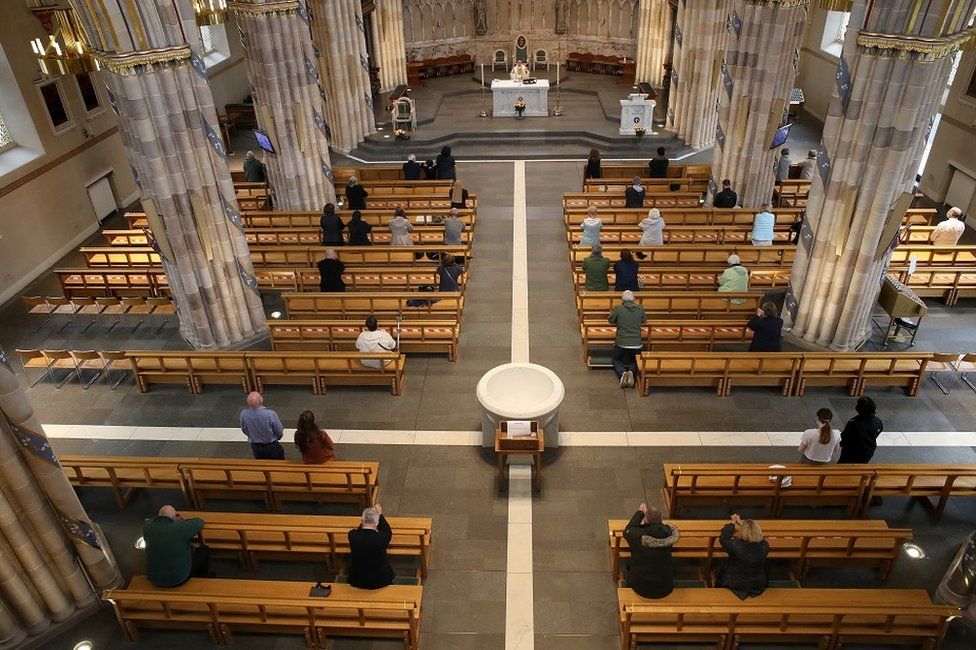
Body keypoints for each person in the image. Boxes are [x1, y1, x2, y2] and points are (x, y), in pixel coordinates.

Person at [622, 503, 679, 599]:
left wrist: (640, 513)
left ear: (645, 520)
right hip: (665, 588)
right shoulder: (669, 533)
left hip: (640, 587)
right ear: (661, 519)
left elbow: (628, 530)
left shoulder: (639, 535)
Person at [143, 505, 209, 587]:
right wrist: (179, 522)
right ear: (174, 517)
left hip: (153, 578)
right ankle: (203, 576)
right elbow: (199, 522)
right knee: (205, 550)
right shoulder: (179, 528)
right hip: (178, 578)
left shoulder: (146, 526)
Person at [716, 514, 769, 600]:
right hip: (757, 583)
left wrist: (733, 523)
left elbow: (724, 538)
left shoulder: (736, 546)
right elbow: (758, 537)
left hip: (735, 582)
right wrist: (743, 525)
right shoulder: (765, 546)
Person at [347, 505, 395, 589]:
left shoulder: (352, 535)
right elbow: (387, 530)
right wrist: (380, 515)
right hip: (380, 581)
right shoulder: (382, 538)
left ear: (362, 521)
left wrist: (368, 517)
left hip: (357, 580)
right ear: (377, 523)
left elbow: (359, 530)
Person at [608, 290, 646, 388]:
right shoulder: (640, 308)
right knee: (634, 360)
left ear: (622, 300)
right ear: (633, 299)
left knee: (616, 359)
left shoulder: (619, 308)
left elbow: (611, 320)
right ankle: (631, 372)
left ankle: (623, 372)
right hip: (637, 343)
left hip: (621, 342)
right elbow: (643, 320)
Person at [239, 391, 285, 460]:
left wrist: (252, 436)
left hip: (256, 447)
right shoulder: (270, 414)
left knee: (262, 464)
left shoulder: (243, 414)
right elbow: (279, 430)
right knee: (279, 464)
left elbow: (244, 429)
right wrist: (277, 437)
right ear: (261, 400)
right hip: (271, 446)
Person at [838, 396, 883, 464]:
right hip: (867, 452)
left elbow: (845, 436)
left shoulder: (853, 423)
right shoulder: (878, 422)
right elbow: (877, 433)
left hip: (851, 453)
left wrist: (841, 444)